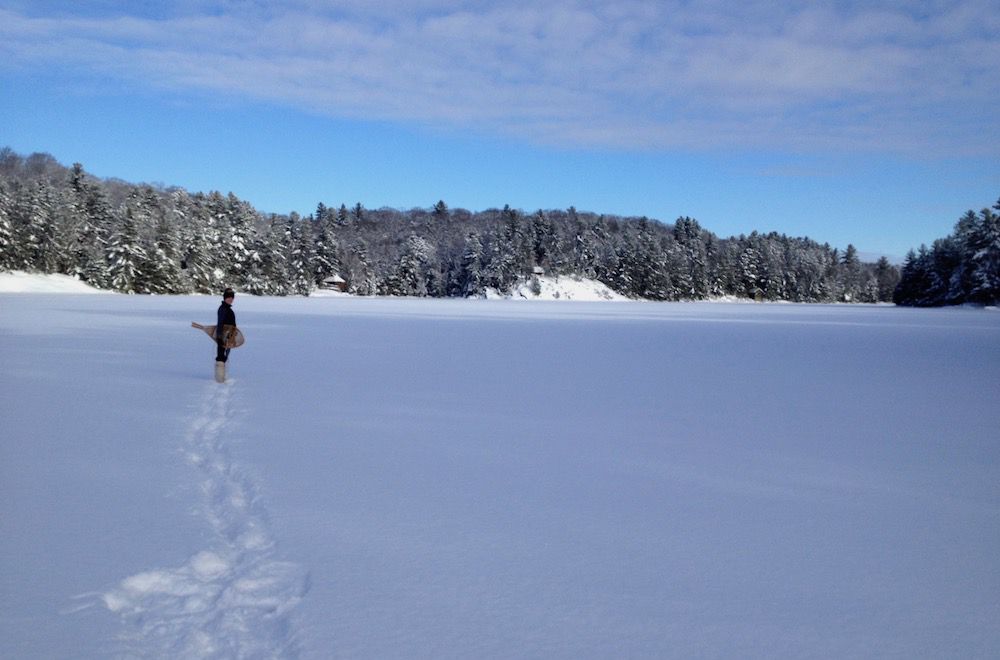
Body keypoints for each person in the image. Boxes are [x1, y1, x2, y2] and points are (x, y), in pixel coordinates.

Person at [216, 288, 237, 364]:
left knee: (225, 356)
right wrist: (220, 336)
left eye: (232, 297)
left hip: (229, 336)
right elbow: (220, 322)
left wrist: (233, 334)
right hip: (223, 336)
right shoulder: (223, 309)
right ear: (225, 298)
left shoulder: (229, 309)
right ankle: (219, 374)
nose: (230, 299)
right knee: (221, 356)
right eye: (228, 297)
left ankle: (222, 373)